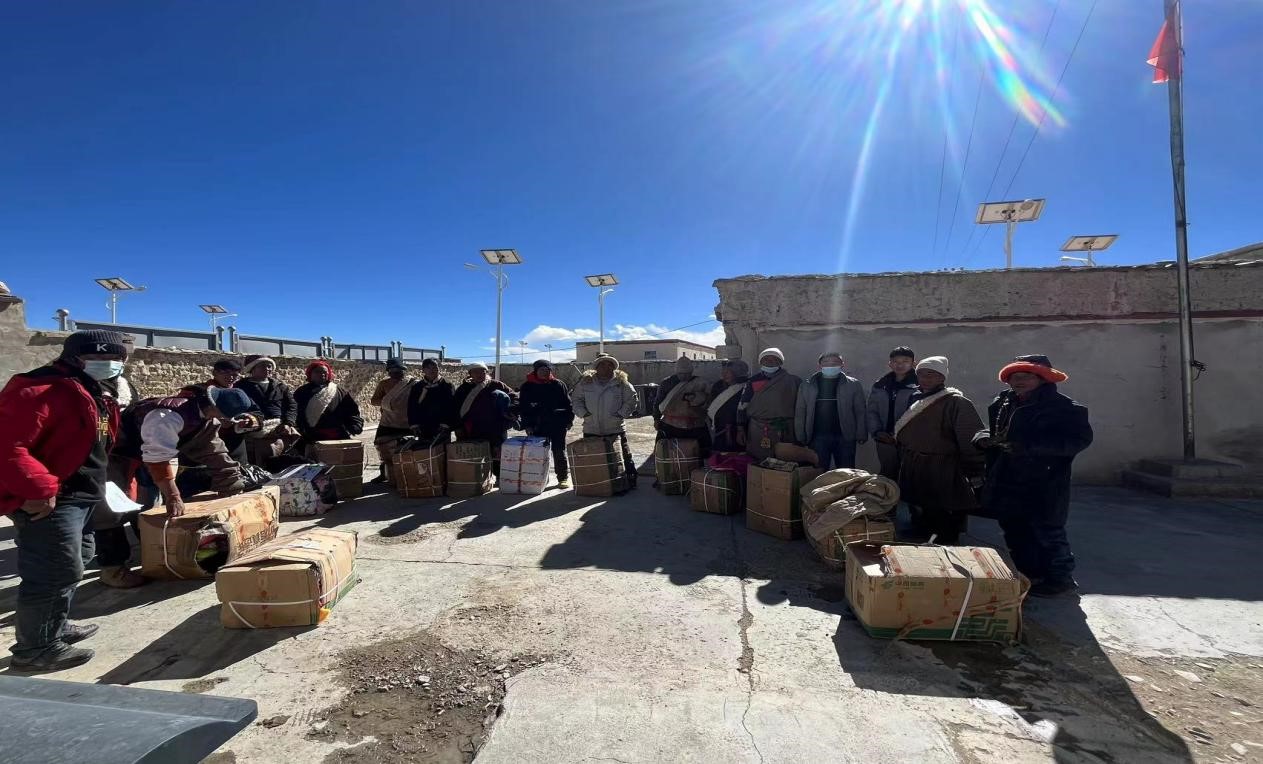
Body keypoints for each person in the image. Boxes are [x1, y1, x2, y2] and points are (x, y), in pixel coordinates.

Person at [0, 330, 129, 671]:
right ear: (73, 357)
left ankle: (53, 625)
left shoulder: (89, 387)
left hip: (83, 494)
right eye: (98, 357)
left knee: (77, 561)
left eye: (114, 359)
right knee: (53, 572)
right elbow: (8, 446)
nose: (108, 364)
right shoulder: (37, 389)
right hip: (55, 498)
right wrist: (40, 490)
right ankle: (35, 649)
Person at [975, 355, 1093, 597]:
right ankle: (1029, 573)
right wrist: (983, 437)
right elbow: (997, 430)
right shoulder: (1004, 402)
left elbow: (1078, 441)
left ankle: (1061, 579)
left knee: (1047, 530)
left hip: (1043, 479)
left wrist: (1029, 447)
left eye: (1027, 376)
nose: (1019, 381)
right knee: (1013, 527)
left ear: (1042, 378)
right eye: (1015, 377)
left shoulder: (1065, 408)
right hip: (1007, 475)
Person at [111, 385, 251, 518]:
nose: (223, 419)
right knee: (127, 503)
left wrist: (230, 479)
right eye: (223, 415)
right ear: (213, 406)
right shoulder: (168, 417)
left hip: (148, 452)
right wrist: (173, 496)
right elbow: (158, 460)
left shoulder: (206, 418)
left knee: (152, 498)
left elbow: (212, 449)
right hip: (122, 452)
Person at [893, 356, 986, 544]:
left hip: (942, 467)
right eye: (921, 374)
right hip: (915, 464)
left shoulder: (957, 402)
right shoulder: (917, 400)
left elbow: (969, 437)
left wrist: (974, 469)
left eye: (932, 374)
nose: (925, 378)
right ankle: (923, 546)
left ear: (942, 377)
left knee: (944, 514)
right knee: (920, 511)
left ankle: (946, 547)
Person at [570, 354, 639, 488]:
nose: (606, 368)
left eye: (609, 365)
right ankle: (598, 484)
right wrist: (584, 413)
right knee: (594, 458)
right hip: (592, 428)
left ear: (614, 367)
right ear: (596, 367)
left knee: (623, 456)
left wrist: (621, 414)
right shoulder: (585, 382)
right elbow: (576, 399)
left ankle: (629, 481)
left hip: (615, 428)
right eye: (602, 365)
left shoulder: (621, 383)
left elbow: (631, 400)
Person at [794, 352, 868, 469]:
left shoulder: (853, 384)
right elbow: (800, 411)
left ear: (842, 364)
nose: (831, 365)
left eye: (835, 362)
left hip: (845, 437)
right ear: (819, 365)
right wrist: (800, 435)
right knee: (818, 471)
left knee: (846, 472)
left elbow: (860, 410)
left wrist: (861, 433)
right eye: (826, 362)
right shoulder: (808, 385)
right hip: (817, 436)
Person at [451, 363, 518, 477]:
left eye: (482, 371)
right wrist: (458, 426)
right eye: (475, 372)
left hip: (495, 428)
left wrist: (512, 410)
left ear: (486, 372)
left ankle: (498, 479)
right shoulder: (464, 389)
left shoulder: (496, 385)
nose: (479, 374)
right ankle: (479, 480)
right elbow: (455, 408)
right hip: (472, 429)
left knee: (497, 457)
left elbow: (514, 397)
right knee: (477, 458)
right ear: (470, 374)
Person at [518, 359, 575, 489]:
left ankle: (563, 478)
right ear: (535, 371)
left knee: (559, 451)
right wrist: (527, 425)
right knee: (537, 454)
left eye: (547, 370)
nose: (544, 372)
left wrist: (569, 420)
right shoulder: (527, 386)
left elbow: (568, 404)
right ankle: (539, 479)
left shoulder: (558, 384)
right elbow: (524, 408)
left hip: (557, 424)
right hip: (536, 426)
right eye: (541, 370)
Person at [736, 348, 801, 460]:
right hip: (758, 429)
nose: (770, 361)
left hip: (784, 428)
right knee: (758, 460)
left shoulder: (793, 381)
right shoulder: (753, 381)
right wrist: (740, 429)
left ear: (780, 362)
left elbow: (801, 407)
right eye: (766, 359)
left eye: (774, 359)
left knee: (783, 460)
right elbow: (742, 405)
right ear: (761, 362)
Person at [234, 354, 299, 466]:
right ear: (252, 369)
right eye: (262, 366)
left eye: (269, 366)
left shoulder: (280, 386)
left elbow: (292, 406)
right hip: (252, 431)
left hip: (279, 430)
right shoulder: (241, 387)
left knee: (280, 462)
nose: (267, 369)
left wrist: (288, 423)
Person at [867, 346, 920, 480]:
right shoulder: (880, 385)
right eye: (896, 361)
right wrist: (877, 432)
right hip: (885, 439)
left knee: (910, 475)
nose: (900, 365)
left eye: (905, 361)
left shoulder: (920, 384)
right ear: (890, 364)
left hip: (910, 441)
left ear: (914, 363)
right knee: (888, 474)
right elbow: (872, 411)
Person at [294, 360, 364, 445]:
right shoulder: (301, 392)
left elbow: (352, 410)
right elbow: (295, 411)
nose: (322, 374)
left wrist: (355, 425)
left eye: (325, 372)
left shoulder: (340, 392)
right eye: (317, 372)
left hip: (338, 435)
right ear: (310, 374)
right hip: (310, 436)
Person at [368, 358, 416, 483]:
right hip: (388, 422)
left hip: (407, 424)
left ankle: (407, 475)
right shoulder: (384, 384)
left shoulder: (412, 383)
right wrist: (388, 402)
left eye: (398, 370)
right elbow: (374, 401)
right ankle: (384, 473)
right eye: (393, 370)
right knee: (382, 448)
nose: (396, 373)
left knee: (408, 450)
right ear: (389, 371)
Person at [654, 357, 712, 453]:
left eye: (687, 373)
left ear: (691, 372)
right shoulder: (667, 383)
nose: (684, 376)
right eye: (681, 374)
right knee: (668, 453)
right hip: (670, 426)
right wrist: (656, 418)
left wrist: (698, 398)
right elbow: (658, 401)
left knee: (699, 453)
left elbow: (709, 402)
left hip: (695, 426)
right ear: (677, 372)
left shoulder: (702, 383)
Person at [408, 358, 456, 440]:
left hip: (442, 427)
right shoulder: (417, 387)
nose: (432, 370)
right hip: (423, 426)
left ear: (438, 369)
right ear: (423, 370)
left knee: (442, 447)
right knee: (423, 447)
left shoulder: (447, 385)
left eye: (434, 367)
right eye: (428, 368)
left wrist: (446, 424)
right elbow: (412, 406)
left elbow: (452, 406)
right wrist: (414, 425)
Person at [707, 360, 750, 452]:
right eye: (724, 371)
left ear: (738, 373)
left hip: (734, 432)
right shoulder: (719, 386)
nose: (724, 375)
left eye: (728, 372)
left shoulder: (746, 388)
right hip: (720, 431)